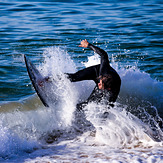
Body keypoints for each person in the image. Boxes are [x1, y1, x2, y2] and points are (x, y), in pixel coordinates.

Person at [66, 39, 121, 110]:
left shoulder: (114, 89)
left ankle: (75, 110)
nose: (98, 84)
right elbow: (104, 54)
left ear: (108, 88)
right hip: (95, 71)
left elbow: (110, 106)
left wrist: (104, 118)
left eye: (100, 85)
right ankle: (52, 78)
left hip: (104, 82)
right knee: (73, 77)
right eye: (100, 83)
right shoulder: (104, 70)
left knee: (89, 103)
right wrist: (89, 45)